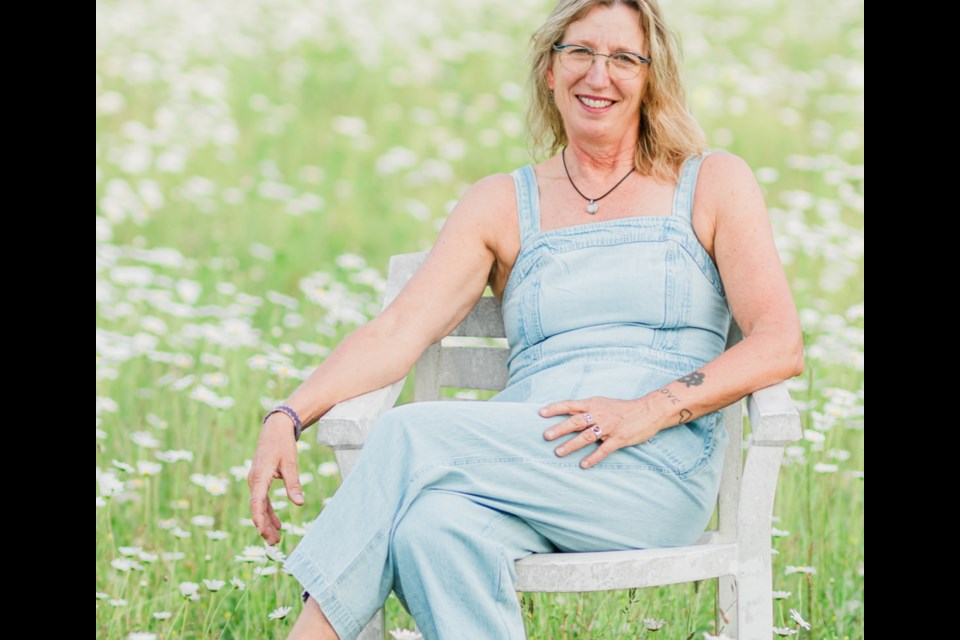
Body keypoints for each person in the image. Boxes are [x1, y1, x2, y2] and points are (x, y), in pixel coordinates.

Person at [248, 0, 804, 638]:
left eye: (624, 58)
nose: (599, 75)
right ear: (549, 69)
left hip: (651, 466)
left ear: (651, 77)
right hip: (522, 461)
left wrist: (647, 409)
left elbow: (779, 342)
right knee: (435, 530)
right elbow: (396, 333)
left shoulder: (712, 182)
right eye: (580, 53)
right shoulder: (501, 203)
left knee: (405, 436)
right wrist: (286, 415)